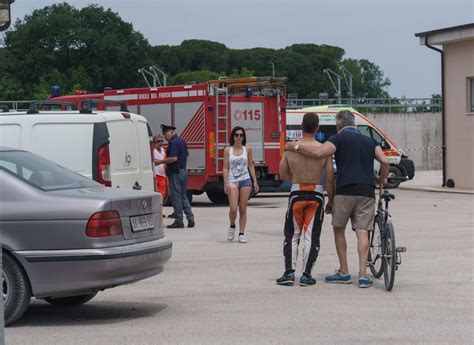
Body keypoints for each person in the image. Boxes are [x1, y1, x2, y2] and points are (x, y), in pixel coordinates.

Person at [286, 110, 389, 288]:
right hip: (367, 191)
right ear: (355, 124)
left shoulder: (338, 139)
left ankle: (344, 272)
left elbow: (319, 153)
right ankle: (363, 276)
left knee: (339, 229)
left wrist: (294, 147)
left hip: (345, 190)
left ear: (338, 125)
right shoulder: (369, 140)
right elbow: (385, 161)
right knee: (363, 231)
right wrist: (381, 179)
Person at [276, 113, 334, 286]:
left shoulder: (291, 149)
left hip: (296, 192)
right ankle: (306, 275)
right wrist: (331, 199)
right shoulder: (323, 150)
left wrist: (296, 178)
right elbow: (330, 178)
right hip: (316, 193)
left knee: (292, 235)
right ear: (317, 128)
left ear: (301, 127)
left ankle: (289, 272)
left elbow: (282, 173)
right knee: (311, 236)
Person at [223, 126, 259, 243]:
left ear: (244, 137)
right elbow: (225, 167)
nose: (239, 137)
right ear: (233, 136)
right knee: (233, 208)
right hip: (232, 180)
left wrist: (254, 181)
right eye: (236, 135)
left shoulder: (247, 149)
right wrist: (225, 182)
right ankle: (232, 225)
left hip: (245, 179)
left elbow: (250, 165)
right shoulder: (228, 150)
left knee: (243, 208)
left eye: (241, 135)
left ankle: (242, 233)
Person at [160, 124, 195, 229]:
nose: (165, 137)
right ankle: (190, 218)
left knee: (176, 196)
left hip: (175, 172)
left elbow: (173, 158)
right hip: (183, 171)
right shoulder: (182, 142)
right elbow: (187, 156)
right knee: (183, 195)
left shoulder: (174, 142)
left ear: (171, 132)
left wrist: (160, 162)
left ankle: (179, 220)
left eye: (165, 134)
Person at [152, 134, 167, 200]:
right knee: (155, 194)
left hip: (162, 175)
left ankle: (160, 208)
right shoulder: (152, 150)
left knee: (162, 194)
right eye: (158, 141)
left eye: (162, 141)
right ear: (154, 142)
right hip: (155, 175)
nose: (160, 143)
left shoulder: (163, 150)